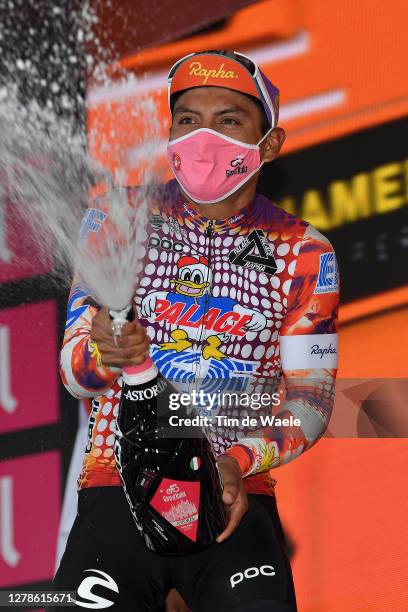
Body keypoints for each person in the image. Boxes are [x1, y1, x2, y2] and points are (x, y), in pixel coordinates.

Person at [52, 50, 339, 612]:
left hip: (237, 495)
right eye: (187, 120)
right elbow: (73, 378)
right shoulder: (116, 216)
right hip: (117, 491)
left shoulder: (304, 251)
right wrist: (102, 355)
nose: (203, 136)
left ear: (270, 143)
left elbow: (312, 398)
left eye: (228, 120)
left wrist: (237, 461)